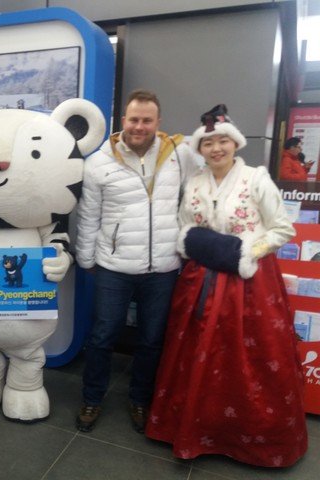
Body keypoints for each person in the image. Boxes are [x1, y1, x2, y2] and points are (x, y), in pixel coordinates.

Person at [146, 105, 308, 467]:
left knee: (248, 358)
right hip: (200, 281)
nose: (216, 148)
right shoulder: (195, 182)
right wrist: (200, 245)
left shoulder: (256, 179)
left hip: (249, 284)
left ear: (235, 143)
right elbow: (184, 224)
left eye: (223, 141)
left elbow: (282, 228)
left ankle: (247, 438)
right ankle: (195, 428)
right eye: (208, 143)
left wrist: (246, 254)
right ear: (200, 149)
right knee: (194, 353)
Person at [74, 89, 199, 433]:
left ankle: (141, 399)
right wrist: (86, 257)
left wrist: (187, 249)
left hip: (164, 267)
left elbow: (193, 200)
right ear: (122, 121)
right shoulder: (99, 162)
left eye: (147, 120)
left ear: (158, 122)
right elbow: (89, 214)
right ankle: (92, 398)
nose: (139, 126)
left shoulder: (179, 154)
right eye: (133, 119)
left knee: (152, 339)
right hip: (113, 267)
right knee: (102, 336)